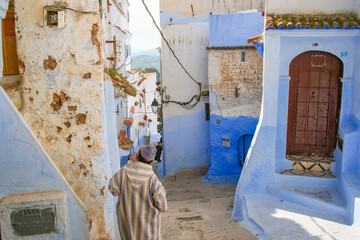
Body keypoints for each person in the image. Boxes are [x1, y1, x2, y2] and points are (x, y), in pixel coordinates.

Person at [108, 144, 168, 240]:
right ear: (151, 160)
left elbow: (112, 189)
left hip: (127, 227)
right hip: (149, 231)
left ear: (137, 156)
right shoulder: (153, 179)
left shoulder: (123, 172)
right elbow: (163, 207)